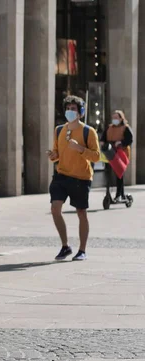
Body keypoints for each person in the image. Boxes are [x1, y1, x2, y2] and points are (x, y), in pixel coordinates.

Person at [48, 95, 100, 261]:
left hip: (81, 178)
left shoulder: (88, 132)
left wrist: (79, 148)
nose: (70, 112)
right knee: (55, 209)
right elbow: (57, 155)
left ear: (81, 113)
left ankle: (82, 250)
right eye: (68, 109)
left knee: (81, 213)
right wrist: (53, 155)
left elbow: (97, 157)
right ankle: (65, 246)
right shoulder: (59, 130)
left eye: (73, 109)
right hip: (61, 175)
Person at [100, 110, 133, 201]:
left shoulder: (125, 128)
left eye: (116, 118)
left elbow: (129, 140)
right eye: (113, 118)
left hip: (121, 153)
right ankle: (108, 193)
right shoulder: (109, 128)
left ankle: (119, 194)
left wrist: (121, 142)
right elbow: (103, 137)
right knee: (109, 172)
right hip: (110, 151)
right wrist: (102, 142)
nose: (114, 120)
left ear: (121, 118)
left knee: (119, 174)